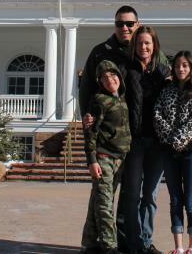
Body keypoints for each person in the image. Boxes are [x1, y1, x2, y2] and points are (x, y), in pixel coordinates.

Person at [153, 50, 192, 254]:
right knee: (175, 200)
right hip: (169, 151)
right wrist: (171, 139)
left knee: (190, 199)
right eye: (178, 65)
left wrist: (178, 139)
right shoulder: (166, 91)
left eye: (185, 65)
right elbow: (157, 115)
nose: (181, 69)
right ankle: (178, 247)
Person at [119, 26, 171, 254]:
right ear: (134, 45)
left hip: (157, 141)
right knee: (132, 194)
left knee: (150, 194)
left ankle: (146, 242)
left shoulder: (163, 72)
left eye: (148, 43)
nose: (144, 47)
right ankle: (133, 243)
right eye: (140, 43)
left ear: (154, 45)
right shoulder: (126, 71)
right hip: (134, 140)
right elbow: (111, 96)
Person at [80, 60, 132, 254]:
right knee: (104, 202)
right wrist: (92, 160)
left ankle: (90, 243)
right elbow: (91, 133)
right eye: (105, 77)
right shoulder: (99, 101)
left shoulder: (122, 99)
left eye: (113, 75)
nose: (110, 80)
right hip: (103, 157)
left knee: (99, 199)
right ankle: (109, 246)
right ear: (100, 81)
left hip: (119, 157)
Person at [79, 5, 141, 117]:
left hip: (143, 125)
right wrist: (88, 123)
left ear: (138, 25)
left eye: (130, 24)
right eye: (120, 24)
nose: (124, 28)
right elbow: (86, 90)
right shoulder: (99, 53)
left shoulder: (147, 52)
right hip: (111, 127)